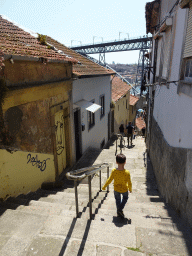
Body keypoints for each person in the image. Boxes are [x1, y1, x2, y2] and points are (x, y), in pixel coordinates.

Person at [102, 154, 132, 218]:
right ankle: (120, 210)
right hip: (124, 189)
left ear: (116, 162)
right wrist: (130, 189)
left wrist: (104, 186)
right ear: (125, 162)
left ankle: (119, 211)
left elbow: (109, 179)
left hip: (116, 189)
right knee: (125, 198)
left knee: (118, 200)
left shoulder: (114, 171)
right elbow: (129, 182)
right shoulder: (127, 172)